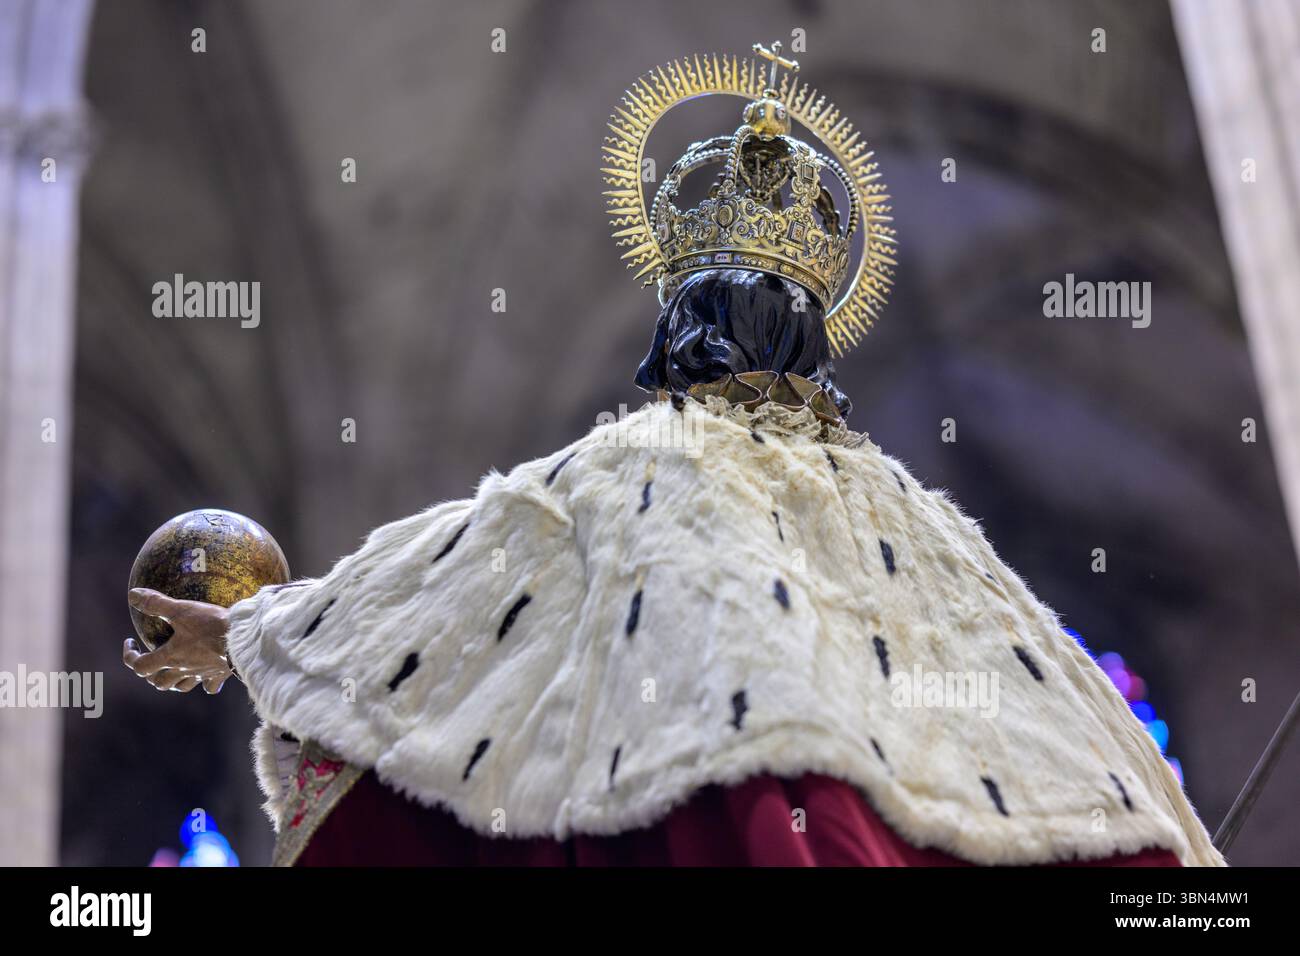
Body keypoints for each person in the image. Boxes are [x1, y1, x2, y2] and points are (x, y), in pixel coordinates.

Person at [123, 44, 1222, 867]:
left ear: (679, 322)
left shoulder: (624, 480)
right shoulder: (936, 543)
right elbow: (1114, 790)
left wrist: (250, 627)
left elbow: (427, 620)